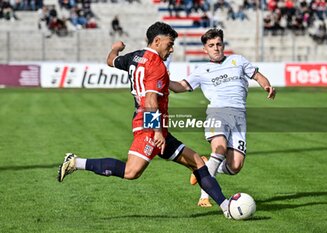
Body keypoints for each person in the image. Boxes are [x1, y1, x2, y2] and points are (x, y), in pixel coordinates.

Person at [57, 22, 232, 219]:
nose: (171, 48)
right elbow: (150, 100)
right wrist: (157, 131)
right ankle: (75, 162)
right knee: (131, 172)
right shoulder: (156, 65)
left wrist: (115, 48)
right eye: (170, 43)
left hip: (156, 127)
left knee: (198, 162)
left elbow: (111, 60)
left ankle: (226, 207)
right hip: (150, 126)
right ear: (157, 41)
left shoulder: (135, 57)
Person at [169, 28, 276, 207]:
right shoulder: (202, 70)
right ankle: (205, 196)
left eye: (218, 44)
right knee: (219, 149)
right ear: (205, 49)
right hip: (217, 113)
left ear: (223, 45)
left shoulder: (238, 61)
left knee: (235, 166)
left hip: (239, 117)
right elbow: (181, 86)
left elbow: (257, 75)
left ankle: (204, 165)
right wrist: (165, 81)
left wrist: (267, 86)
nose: (216, 48)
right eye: (211, 45)